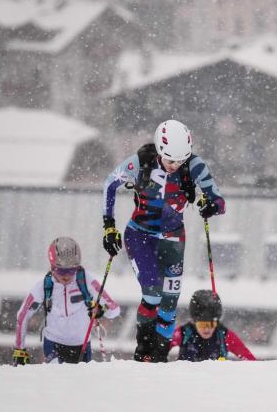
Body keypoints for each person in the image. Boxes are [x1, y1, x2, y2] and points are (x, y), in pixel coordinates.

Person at [102, 120, 225, 362]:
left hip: (173, 237)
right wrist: (109, 227)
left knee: (170, 301)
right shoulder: (140, 162)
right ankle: (144, 349)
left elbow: (219, 201)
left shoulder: (195, 166)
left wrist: (209, 205)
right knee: (153, 292)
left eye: (180, 160)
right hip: (140, 235)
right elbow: (109, 185)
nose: (175, 165)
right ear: (159, 150)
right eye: (170, 160)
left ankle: (159, 353)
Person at [13, 237, 120, 365]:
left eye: (71, 270)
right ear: (52, 267)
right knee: (57, 378)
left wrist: (102, 310)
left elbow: (115, 309)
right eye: (61, 270)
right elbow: (23, 315)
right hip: (53, 343)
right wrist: (19, 349)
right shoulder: (44, 286)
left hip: (82, 345)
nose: (66, 275)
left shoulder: (85, 280)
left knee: (80, 384)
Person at [170, 290, 256, 362]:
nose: (207, 329)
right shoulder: (183, 333)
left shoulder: (225, 335)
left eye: (212, 324)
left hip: (215, 380)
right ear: (194, 322)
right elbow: (161, 349)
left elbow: (250, 361)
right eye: (202, 325)